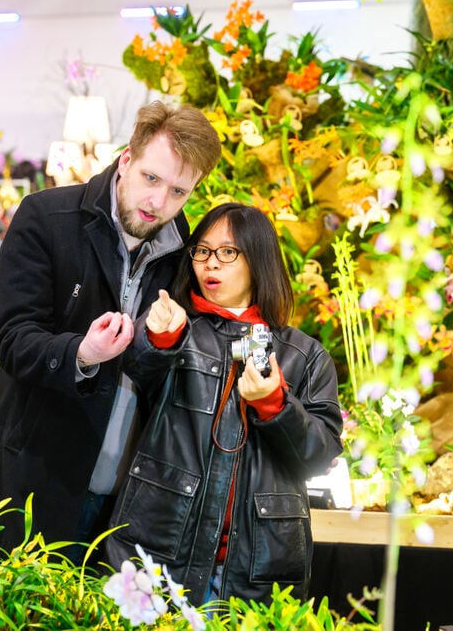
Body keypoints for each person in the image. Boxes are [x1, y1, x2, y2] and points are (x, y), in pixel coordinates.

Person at [0, 101, 222, 553]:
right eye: (151, 178)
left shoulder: (184, 253)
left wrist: (164, 344)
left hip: (126, 505)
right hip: (34, 485)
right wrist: (83, 353)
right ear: (126, 159)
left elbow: (165, 376)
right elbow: (14, 340)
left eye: (179, 191)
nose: (158, 202)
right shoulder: (47, 218)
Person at [104, 203, 343, 605]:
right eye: (202, 250)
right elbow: (139, 369)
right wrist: (160, 339)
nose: (210, 263)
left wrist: (274, 404)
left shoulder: (304, 355)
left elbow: (319, 455)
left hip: (257, 568)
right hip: (159, 555)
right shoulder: (176, 327)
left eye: (227, 252)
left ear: (258, 259)